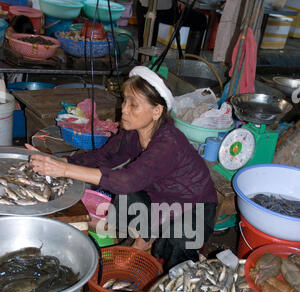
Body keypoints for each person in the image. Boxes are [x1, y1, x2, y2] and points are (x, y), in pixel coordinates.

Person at [27, 66, 218, 271]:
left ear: (157, 111)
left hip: (195, 207)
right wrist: (64, 162)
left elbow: (125, 180)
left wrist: (63, 171)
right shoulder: (134, 133)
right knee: (127, 197)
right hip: (161, 196)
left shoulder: (169, 143)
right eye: (125, 101)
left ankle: (177, 271)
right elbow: (104, 156)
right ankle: (142, 239)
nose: (124, 109)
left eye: (133, 104)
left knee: (179, 243)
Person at [136, 0, 207, 53]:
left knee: (200, 19)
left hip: (169, 5)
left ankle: (190, 63)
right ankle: (142, 67)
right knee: (146, 46)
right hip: (148, 5)